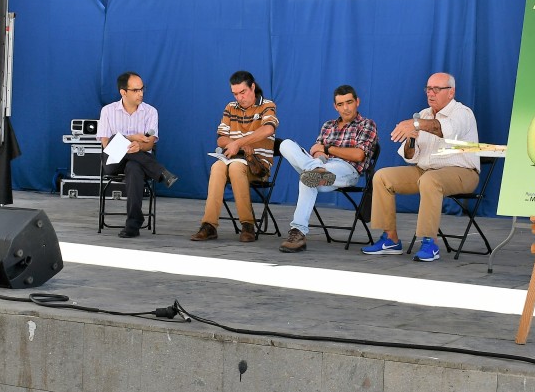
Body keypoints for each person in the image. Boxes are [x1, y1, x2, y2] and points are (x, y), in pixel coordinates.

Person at [361, 72, 479, 262]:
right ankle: (390, 239)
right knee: (382, 177)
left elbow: (442, 128)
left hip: (462, 172)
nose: (430, 93)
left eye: (436, 89)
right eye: (428, 89)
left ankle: (430, 242)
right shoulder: (423, 114)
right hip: (425, 171)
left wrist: (416, 124)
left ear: (451, 92)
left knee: (430, 180)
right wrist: (411, 139)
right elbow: (410, 156)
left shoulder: (463, 113)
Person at [276, 85, 377, 253]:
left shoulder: (367, 124)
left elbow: (358, 155)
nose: (346, 108)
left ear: (357, 102)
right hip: (321, 166)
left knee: (308, 177)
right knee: (285, 144)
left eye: (349, 102)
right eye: (341, 104)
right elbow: (316, 150)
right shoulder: (328, 125)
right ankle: (316, 170)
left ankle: (298, 231)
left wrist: (328, 149)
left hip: (346, 170)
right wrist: (319, 158)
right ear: (335, 106)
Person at [191, 70, 279, 243]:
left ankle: (247, 224)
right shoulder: (230, 107)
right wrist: (236, 144)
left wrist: (237, 143)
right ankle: (209, 225)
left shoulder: (267, 105)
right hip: (233, 162)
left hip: (257, 165)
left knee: (236, 167)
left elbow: (268, 129)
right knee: (217, 167)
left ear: (252, 87)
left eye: (243, 92)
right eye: (235, 93)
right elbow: (221, 138)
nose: (239, 97)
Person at [94, 71, 179, 239]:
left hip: (139, 162)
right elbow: (107, 145)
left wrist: (139, 146)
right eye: (135, 90)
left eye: (142, 89)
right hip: (113, 161)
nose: (140, 93)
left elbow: (150, 144)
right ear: (123, 92)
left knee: (133, 166)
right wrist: (130, 138)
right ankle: (161, 172)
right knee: (116, 140)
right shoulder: (108, 111)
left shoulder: (150, 112)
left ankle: (133, 223)